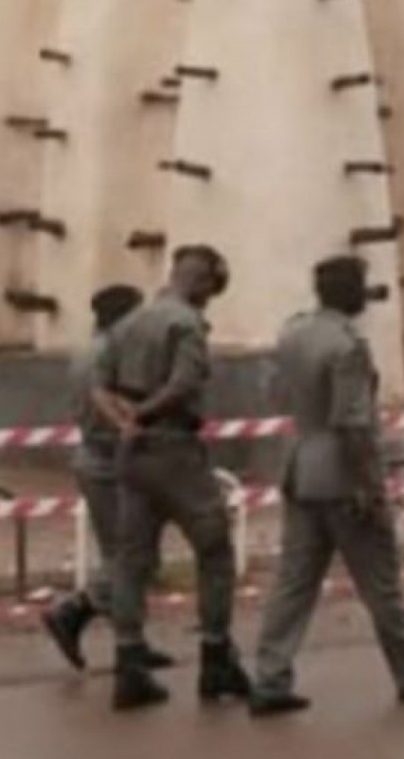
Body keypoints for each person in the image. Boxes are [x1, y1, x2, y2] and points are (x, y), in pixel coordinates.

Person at [250, 256, 404, 717]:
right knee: (381, 583)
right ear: (352, 291)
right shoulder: (348, 346)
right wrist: (370, 485)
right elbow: (352, 424)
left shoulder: (293, 333)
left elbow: (274, 394)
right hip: (342, 476)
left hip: (299, 465)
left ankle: (270, 675)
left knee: (293, 582)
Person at [92, 245, 252, 711]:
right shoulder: (186, 324)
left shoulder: (128, 322)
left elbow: (99, 386)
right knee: (215, 549)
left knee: (131, 559)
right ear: (202, 282)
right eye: (213, 288)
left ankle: (128, 662)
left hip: (132, 454)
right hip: (175, 451)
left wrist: (123, 422)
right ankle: (216, 655)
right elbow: (184, 384)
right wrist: (144, 413)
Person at [41, 285, 173, 673]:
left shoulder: (87, 352)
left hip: (95, 456)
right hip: (116, 459)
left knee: (126, 553)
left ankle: (130, 641)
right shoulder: (117, 356)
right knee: (135, 556)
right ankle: (74, 611)